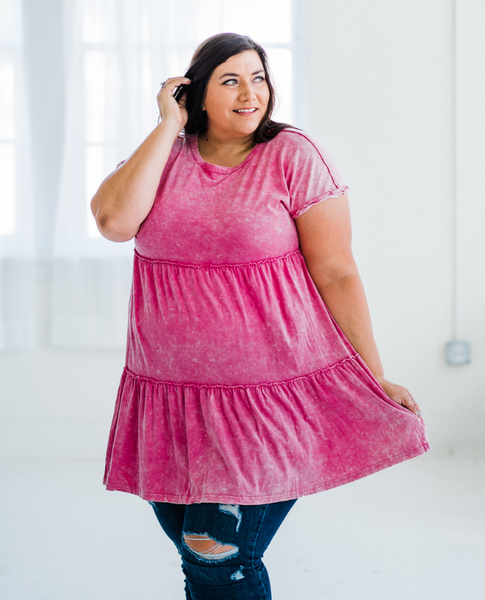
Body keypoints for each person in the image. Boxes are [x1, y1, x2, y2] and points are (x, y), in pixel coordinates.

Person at [91, 32, 429, 600]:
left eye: (259, 77)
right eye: (230, 80)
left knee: (218, 557)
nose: (251, 93)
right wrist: (167, 126)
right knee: (202, 562)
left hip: (266, 403)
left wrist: (372, 375)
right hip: (172, 402)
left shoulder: (293, 154)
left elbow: (337, 273)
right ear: (194, 93)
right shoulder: (163, 156)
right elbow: (114, 222)